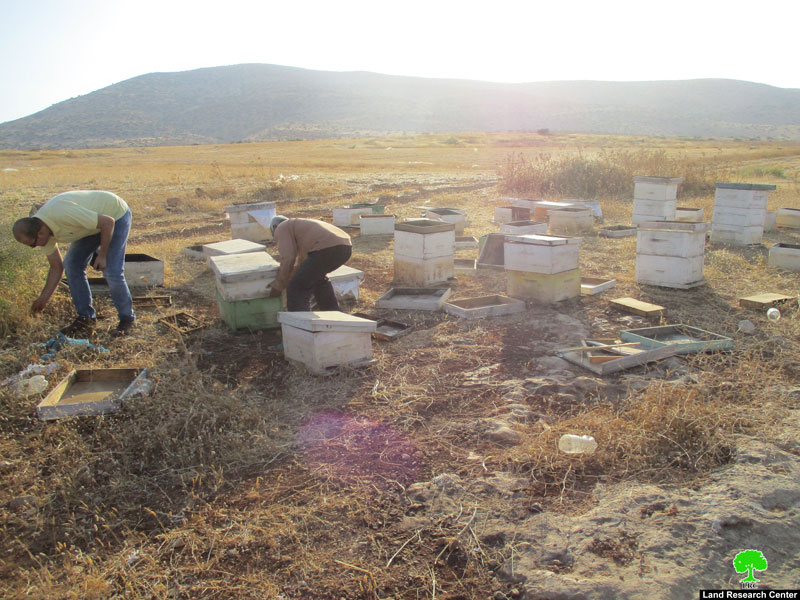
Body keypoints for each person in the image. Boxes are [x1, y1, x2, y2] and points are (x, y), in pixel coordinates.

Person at [12, 190, 135, 337]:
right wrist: (42, 300)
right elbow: (56, 267)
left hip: (114, 215)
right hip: (89, 225)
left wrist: (102, 254)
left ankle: (127, 319)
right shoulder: (41, 231)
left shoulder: (62, 214)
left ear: (40, 234)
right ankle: (86, 318)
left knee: (111, 270)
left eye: (32, 244)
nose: (35, 247)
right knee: (72, 264)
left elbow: (107, 222)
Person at [267, 216, 352, 312]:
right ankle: (334, 314)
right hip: (346, 248)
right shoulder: (301, 228)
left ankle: (300, 323)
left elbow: (288, 257)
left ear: (274, 228)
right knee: (317, 279)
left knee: (297, 287)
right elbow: (303, 265)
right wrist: (291, 276)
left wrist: (279, 284)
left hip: (326, 248)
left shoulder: (282, 227)